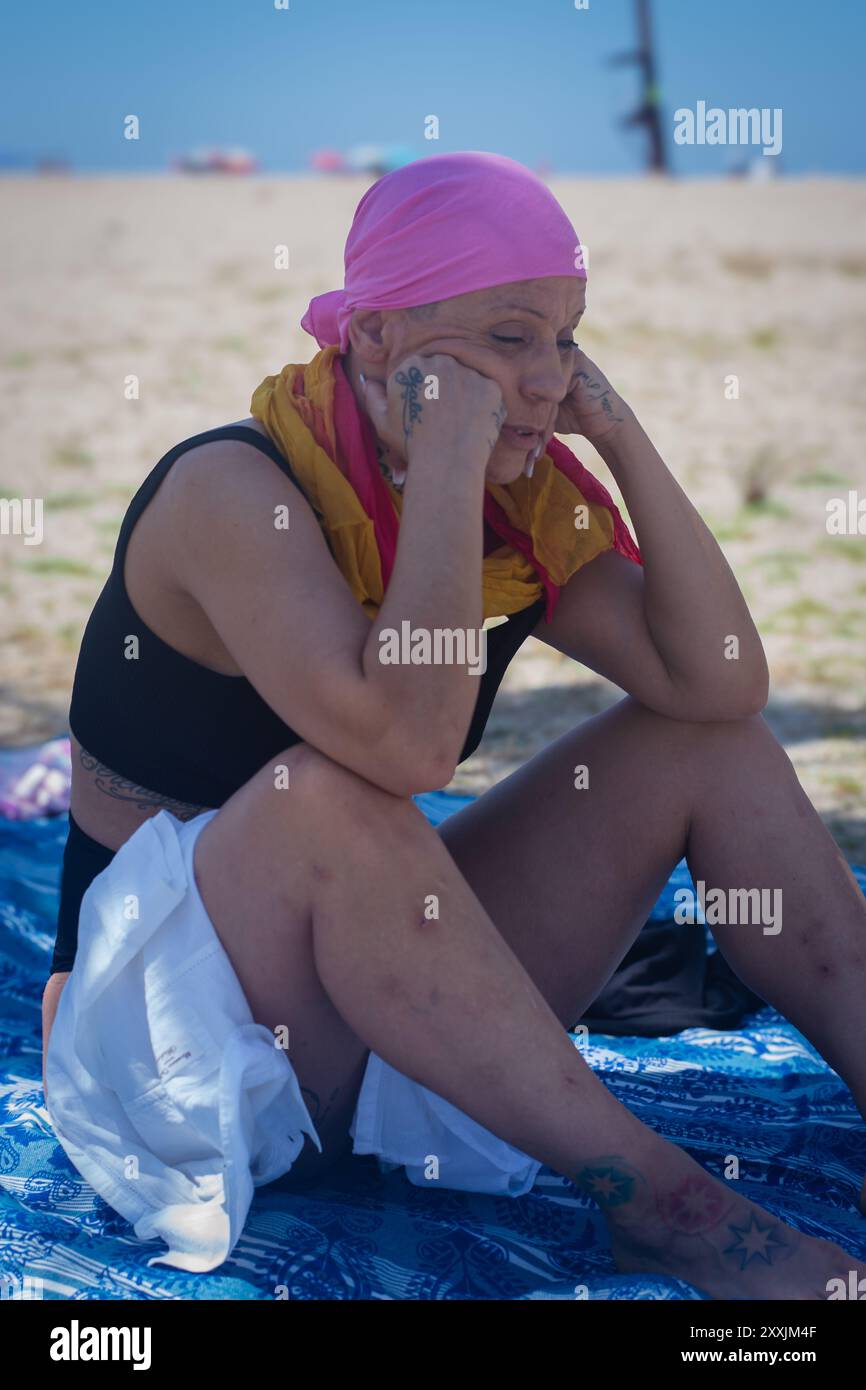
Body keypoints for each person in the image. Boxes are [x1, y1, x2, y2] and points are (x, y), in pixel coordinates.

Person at [41, 151, 866, 1292]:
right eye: (510, 337)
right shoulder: (230, 495)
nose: (544, 380)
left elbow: (719, 682)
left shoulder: (511, 509)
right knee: (327, 795)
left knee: (701, 749)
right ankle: (665, 1201)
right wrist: (444, 469)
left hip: (380, 1028)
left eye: (567, 339)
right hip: (168, 1053)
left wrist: (617, 438)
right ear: (375, 341)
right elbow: (406, 748)